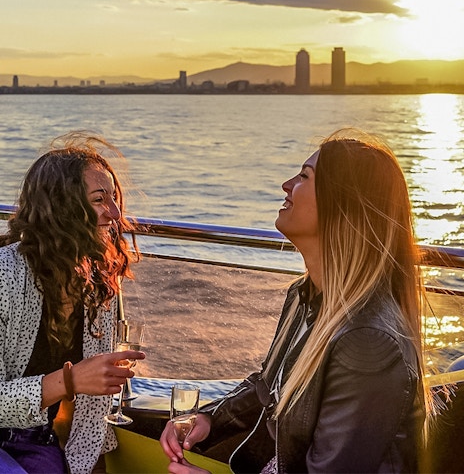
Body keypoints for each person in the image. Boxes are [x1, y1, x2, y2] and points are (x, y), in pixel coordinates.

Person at [160, 130, 428, 473]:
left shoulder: (368, 341)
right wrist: (209, 419)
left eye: (304, 176)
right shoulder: (306, 296)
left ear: (342, 203)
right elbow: (269, 387)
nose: (287, 185)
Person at [0, 132, 145, 474]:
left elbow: (95, 408)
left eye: (113, 198)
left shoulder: (98, 282)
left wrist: (95, 461)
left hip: (37, 442)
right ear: (60, 208)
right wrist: (69, 382)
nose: (114, 213)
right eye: (98, 200)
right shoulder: (4, 274)